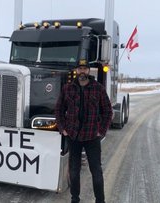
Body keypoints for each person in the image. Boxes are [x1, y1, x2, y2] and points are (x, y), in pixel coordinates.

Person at [55, 59, 113, 203]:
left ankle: (100, 200)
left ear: (88, 70)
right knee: (74, 172)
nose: (82, 71)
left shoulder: (98, 88)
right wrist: (63, 129)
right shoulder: (67, 88)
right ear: (76, 70)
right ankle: (75, 199)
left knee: (96, 171)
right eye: (79, 68)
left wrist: (102, 130)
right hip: (73, 136)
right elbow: (59, 110)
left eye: (85, 68)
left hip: (92, 137)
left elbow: (108, 111)